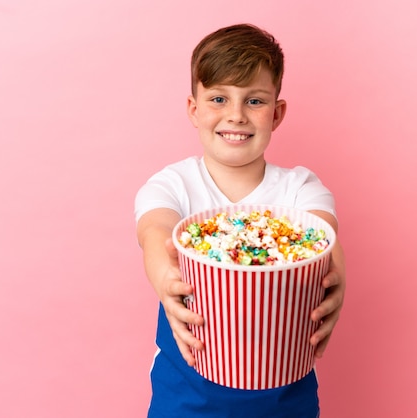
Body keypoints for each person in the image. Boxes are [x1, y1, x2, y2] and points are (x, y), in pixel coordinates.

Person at [134, 23, 346, 418]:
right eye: (218, 98)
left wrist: (339, 272)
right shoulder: (172, 185)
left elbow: (324, 235)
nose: (235, 115)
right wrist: (166, 279)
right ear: (193, 110)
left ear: (277, 114)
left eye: (254, 101)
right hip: (186, 395)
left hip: (285, 397)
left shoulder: (301, 188)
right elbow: (154, 232)